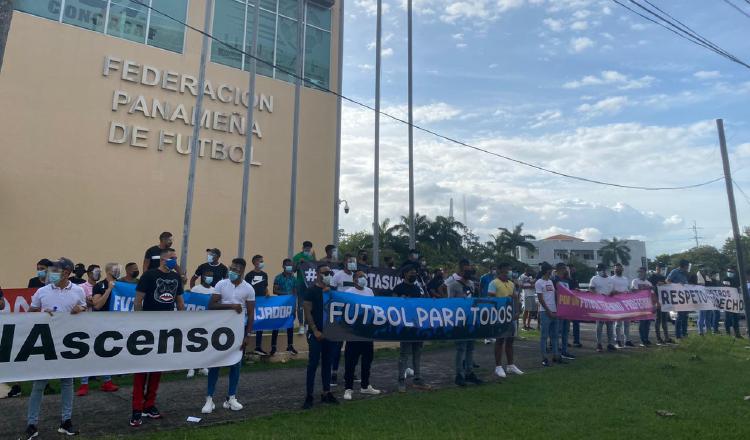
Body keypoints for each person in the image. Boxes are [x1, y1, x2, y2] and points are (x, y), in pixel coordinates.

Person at [23, 258, 87, 439]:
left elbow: (84, 307)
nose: (50, 273)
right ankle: (32, 424)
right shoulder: (41, 291)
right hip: (46, 344)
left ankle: (66, 421)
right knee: (39, 384)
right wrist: (41, 314)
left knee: (67, 383)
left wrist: (81, 309)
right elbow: (30, 314)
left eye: (55, 270)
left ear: (66, 273)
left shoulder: (78, 290)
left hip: (68, 344)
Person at [130, 248, 185, 427]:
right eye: (172, 258)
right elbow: (138, 301)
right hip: (147, 328)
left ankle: (149, 405)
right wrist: (139, 325)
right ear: (163, 259)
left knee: (157, 369)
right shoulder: (149, 276)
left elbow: (180, 303)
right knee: (141, 369)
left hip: (166, 329)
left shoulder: (176, 278)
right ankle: (137, 409)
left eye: (176, 258)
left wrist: (184, 323)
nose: (175, 260)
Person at [201, 258, 255, 414]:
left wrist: (248, 335)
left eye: (236, 269)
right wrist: (231, 306)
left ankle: (231, 398)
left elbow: (251, 314)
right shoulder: (221, 284)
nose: (232, 271)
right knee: (215, 363)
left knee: (235, 364)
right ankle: (209, 399)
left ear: (242, 271)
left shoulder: (248, 289)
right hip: (220, 330)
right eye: (231, 268)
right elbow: (211, 305)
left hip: (238, 332)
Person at [77, 263, 121, 397]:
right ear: (108, 271)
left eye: (119, 269)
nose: (118, 271)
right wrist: (108, 290)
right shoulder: (99, 286)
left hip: (113, 324)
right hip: (95, 323)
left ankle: (107, 381)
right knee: (88, 352)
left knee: (106, 352)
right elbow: (97, 305)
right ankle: (84, 383)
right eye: (115, 269)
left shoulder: (121, 285)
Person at [302, 264, 339, 409]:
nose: (328, 274)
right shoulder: (311, 291)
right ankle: (309, 396)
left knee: (327, 363)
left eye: (330, 272)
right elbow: (307, 311)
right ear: (318, 274)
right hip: (315, 334)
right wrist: (314, 330)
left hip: (330, 334)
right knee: (313, 364)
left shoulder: (332, 291)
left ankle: (326, 392)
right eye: (325, 272)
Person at [341, 271, 382, 400]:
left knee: (367, 360)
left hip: (367, 332)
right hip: (353, 333)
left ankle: (365, 386)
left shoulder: (369, 291)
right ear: (354, 280)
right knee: (350, 362)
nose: (363, 278)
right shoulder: (349, 292)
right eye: (360, 276)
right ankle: (348, 388)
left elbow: (374, 308)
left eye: (364, 276)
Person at [446, 261, 483, 386]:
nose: (469, 272)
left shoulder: (472, 284)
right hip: (460, 321)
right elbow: (450, 303)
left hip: (471, 320)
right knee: (461, 348)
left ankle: (469, 372)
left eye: (470, 270)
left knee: (470, 348)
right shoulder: (453, 285)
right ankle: (459, 374)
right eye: (466, 270)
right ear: (461, 271)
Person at [394, 267, 430, 393]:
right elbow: (392, 306)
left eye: (415, 273)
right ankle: (401, 380)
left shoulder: (417, 289)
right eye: (411, 272)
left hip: (417, 325)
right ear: (405, 274)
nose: (414, 274)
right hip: (404, 326)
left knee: (417, 353)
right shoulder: (398, 288)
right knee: (404, 354)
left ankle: (417, 378)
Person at [488, 263, 524, 378]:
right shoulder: (493, 283)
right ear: (499, 271)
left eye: (508, 271)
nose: (507, 273)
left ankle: (510, 365)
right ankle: (498, 366)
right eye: (505, 271)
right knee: (500, 341)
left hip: (511, 316)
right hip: (500, 316)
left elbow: (516, 299)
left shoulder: (511, 284)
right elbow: (491, 300)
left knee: (510, 341)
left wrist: (518, 311)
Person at [328, 254, 356, 384]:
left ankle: (351, 372)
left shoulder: (356, 276)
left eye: (353, 261)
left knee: (353, 345)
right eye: (350, 261)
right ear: (344, 262)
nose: (352, 263)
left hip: (353, 314)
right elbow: (331, 292)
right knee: (338, 345)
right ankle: (333, 372)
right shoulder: (338, 275)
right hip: (340, 313)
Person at [187, 270, 216, 378]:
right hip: (196, 321)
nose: (210, 277)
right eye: (208, 275)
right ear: (203, 276)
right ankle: (191, 368)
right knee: (193, 344)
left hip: (208, 322)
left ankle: (203, 367)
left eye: (211, 275)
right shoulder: (196, 289)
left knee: (205, 344)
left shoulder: (214, 290)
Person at [536, 262, 563, 366]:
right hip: (545, 312)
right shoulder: (539, 282)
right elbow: (541, 299)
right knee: (544, 336)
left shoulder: (551, 281)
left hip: (555, 311)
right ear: (547, 271)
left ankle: (556, 356)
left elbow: (554, 294)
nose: (552, 272)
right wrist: (548, 311)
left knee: (555, 336)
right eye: (551, 270)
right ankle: (544, 358)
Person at [245, 255, 272, 355]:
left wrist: (267, 292)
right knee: (248, 324)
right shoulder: (249, 275)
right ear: (255, 262)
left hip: (261, 303)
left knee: (260, 324)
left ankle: (258, 347)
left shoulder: (265, 275)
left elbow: (265, 287)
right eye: (260, 261)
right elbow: (246, 288)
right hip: (251, 302)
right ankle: (244, 347)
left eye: (262, 261)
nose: (262, 263)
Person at [272, 259, 298, 355]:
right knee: (276, 325)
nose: (290, 267)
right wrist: (286, 294)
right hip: (280, 305)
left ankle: (290, 346)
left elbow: (295, 293)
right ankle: (273, 347)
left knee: (290, 325)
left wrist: (294, 307)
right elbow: (275, 291)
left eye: (291, 265)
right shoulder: (278, 277)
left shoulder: (294, 279)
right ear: (283, 266)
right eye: (288, 265)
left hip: (290, 305)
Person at [550, 263, 576, 359]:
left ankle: (564, 351)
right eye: (565, 269)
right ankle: (556, 351)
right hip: (558, 308)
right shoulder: (553, 280)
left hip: (566, 308)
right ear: (560, 269)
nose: (566, 270)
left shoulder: (567, 280)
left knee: (566, 331)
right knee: (557, 331)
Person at [590, 263, 616, 352]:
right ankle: (599, 343)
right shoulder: (594, 279)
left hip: (609, 306)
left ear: (605, 270)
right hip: (599, 306)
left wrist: (611, 294)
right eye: (598, 270)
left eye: (600, 270)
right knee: (599, 326)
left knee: (610, 326)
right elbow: (592, 289)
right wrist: (599, 296)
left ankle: (610, 344)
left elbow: (612, 291)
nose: (599, 272)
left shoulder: (610, 279)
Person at [293, 241, 315, 334]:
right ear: (303, 248)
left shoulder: (311, 257)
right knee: (300, 304)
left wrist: (314, 259)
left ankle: (307, 324)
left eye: (309, 249)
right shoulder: (297, 256)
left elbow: (315, 268)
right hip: (301, 283)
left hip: (310, 284)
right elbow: (293, 270)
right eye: (306, 249)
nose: (308, 250)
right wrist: (299, 263)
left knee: (310, 304)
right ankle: (301, 325)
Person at [648, 264, 673, 344]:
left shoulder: (663, 277)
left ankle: (667, 338)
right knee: (658, 320)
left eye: (662, 269)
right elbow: (650, 287)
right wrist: (656, 285)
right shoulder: (652, 277)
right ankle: (659, 338)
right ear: (656, 268)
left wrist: (666, 283)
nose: (660, 270)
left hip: (664, 301)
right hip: (656, 300)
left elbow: (668, 285)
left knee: (664, 320)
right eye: (658, 268)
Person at [611, 263, 633, 348]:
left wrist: (629, 293)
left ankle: (627, 340)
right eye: (616, 268)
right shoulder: (611, 279)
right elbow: (611, 291)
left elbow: (627, 289)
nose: (618, 270)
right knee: (618, 323)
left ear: (622, 269)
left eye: (619, 268)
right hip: (616, 303)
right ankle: (618, 340)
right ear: (614, 269)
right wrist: (616, 293)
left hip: (625, 303)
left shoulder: (625, 279)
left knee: (627, 323)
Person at [667, 259, 690, 339]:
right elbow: (667, 281)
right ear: (683, 266)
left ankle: (684, 333)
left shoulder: (685, 273)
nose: (688, 267)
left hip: (685, 298)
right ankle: (678, 335)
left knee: (685, 316)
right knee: (680, 316)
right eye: (687, 266)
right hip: (677, 297)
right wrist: (677, 284)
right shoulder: (675, 272)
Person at [631, 267, 654, 346]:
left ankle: (646, 338)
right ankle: (642, 339)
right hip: (640, 305)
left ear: (645, 272)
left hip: (648, 305)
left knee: (647, 324)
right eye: (639, 272)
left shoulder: (649, 283)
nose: (640, 273)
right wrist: (646, 288)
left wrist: (653, 305)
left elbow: (652, 294)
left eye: (642, 272)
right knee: (642, 323)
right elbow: (634, 291)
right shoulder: (635, 281)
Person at [722, 266, 743, 338]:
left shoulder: (737, 279)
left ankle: (737, 334)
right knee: (727, 318)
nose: (729, 273)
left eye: (731, 272)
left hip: (735, 302)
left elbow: (739, 289)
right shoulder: (725, 279)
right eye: (729, 271)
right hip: (728, 302)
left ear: (734, 272)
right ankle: (728, 334)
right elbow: (726, 288)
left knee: (736, 318)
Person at [566, 264, 582, 347]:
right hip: (567, 304)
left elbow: (577, 289)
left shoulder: (575, 279)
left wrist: (577, 290)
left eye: (574, 270)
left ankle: (576, 340)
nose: (574, 271)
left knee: (576, 323)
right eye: (572, 270)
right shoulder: (565, 280)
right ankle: (565, 341)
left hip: (575, 304)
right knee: (566, 324)